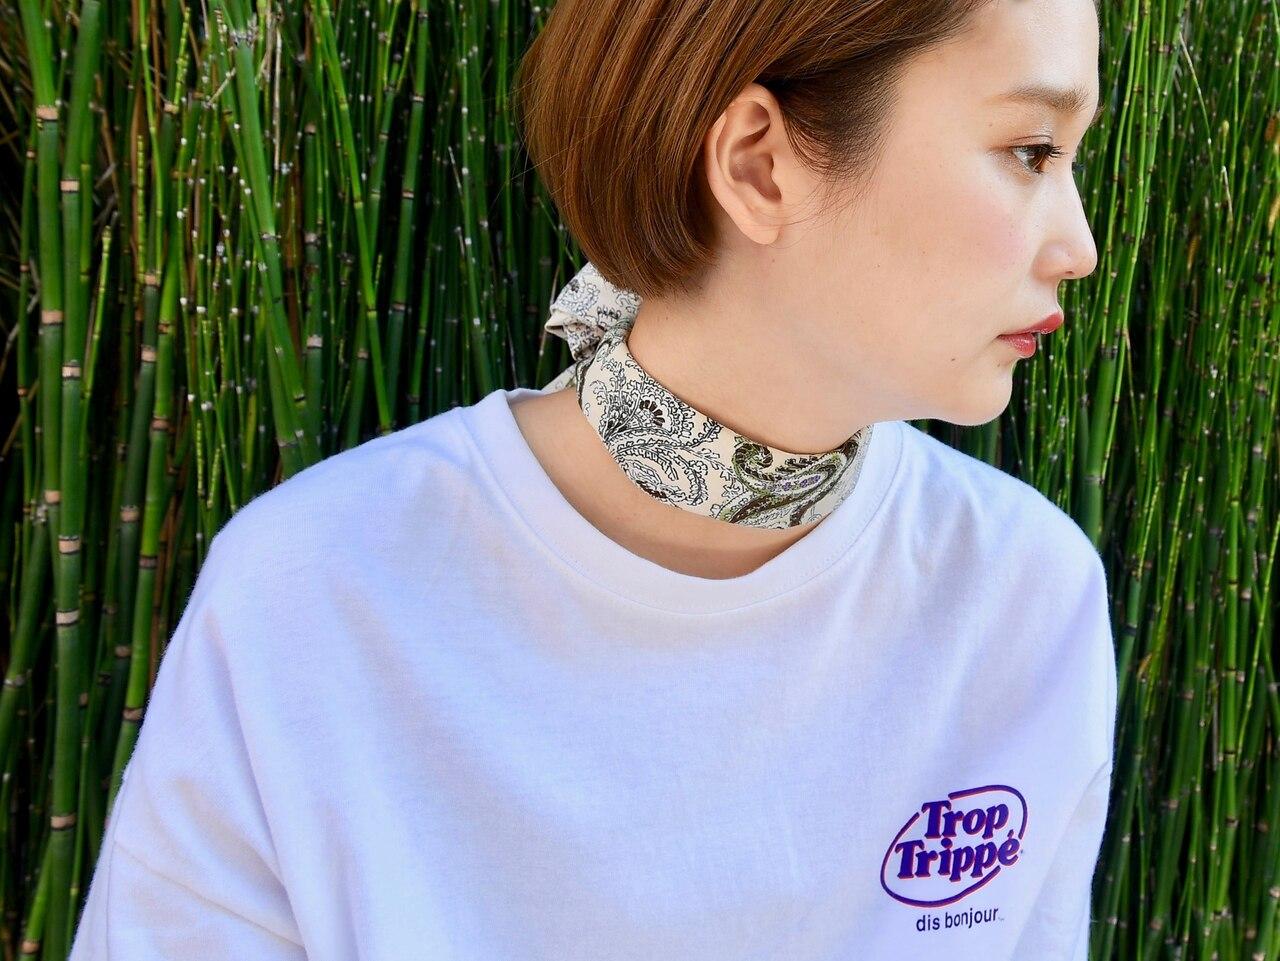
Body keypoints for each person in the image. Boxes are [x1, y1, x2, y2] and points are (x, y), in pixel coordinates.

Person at [68, 0, 1117, 958]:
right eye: (1029, 151)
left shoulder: (1022, 599)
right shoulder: (312, 596)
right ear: (758, 163)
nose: (1079, 247)